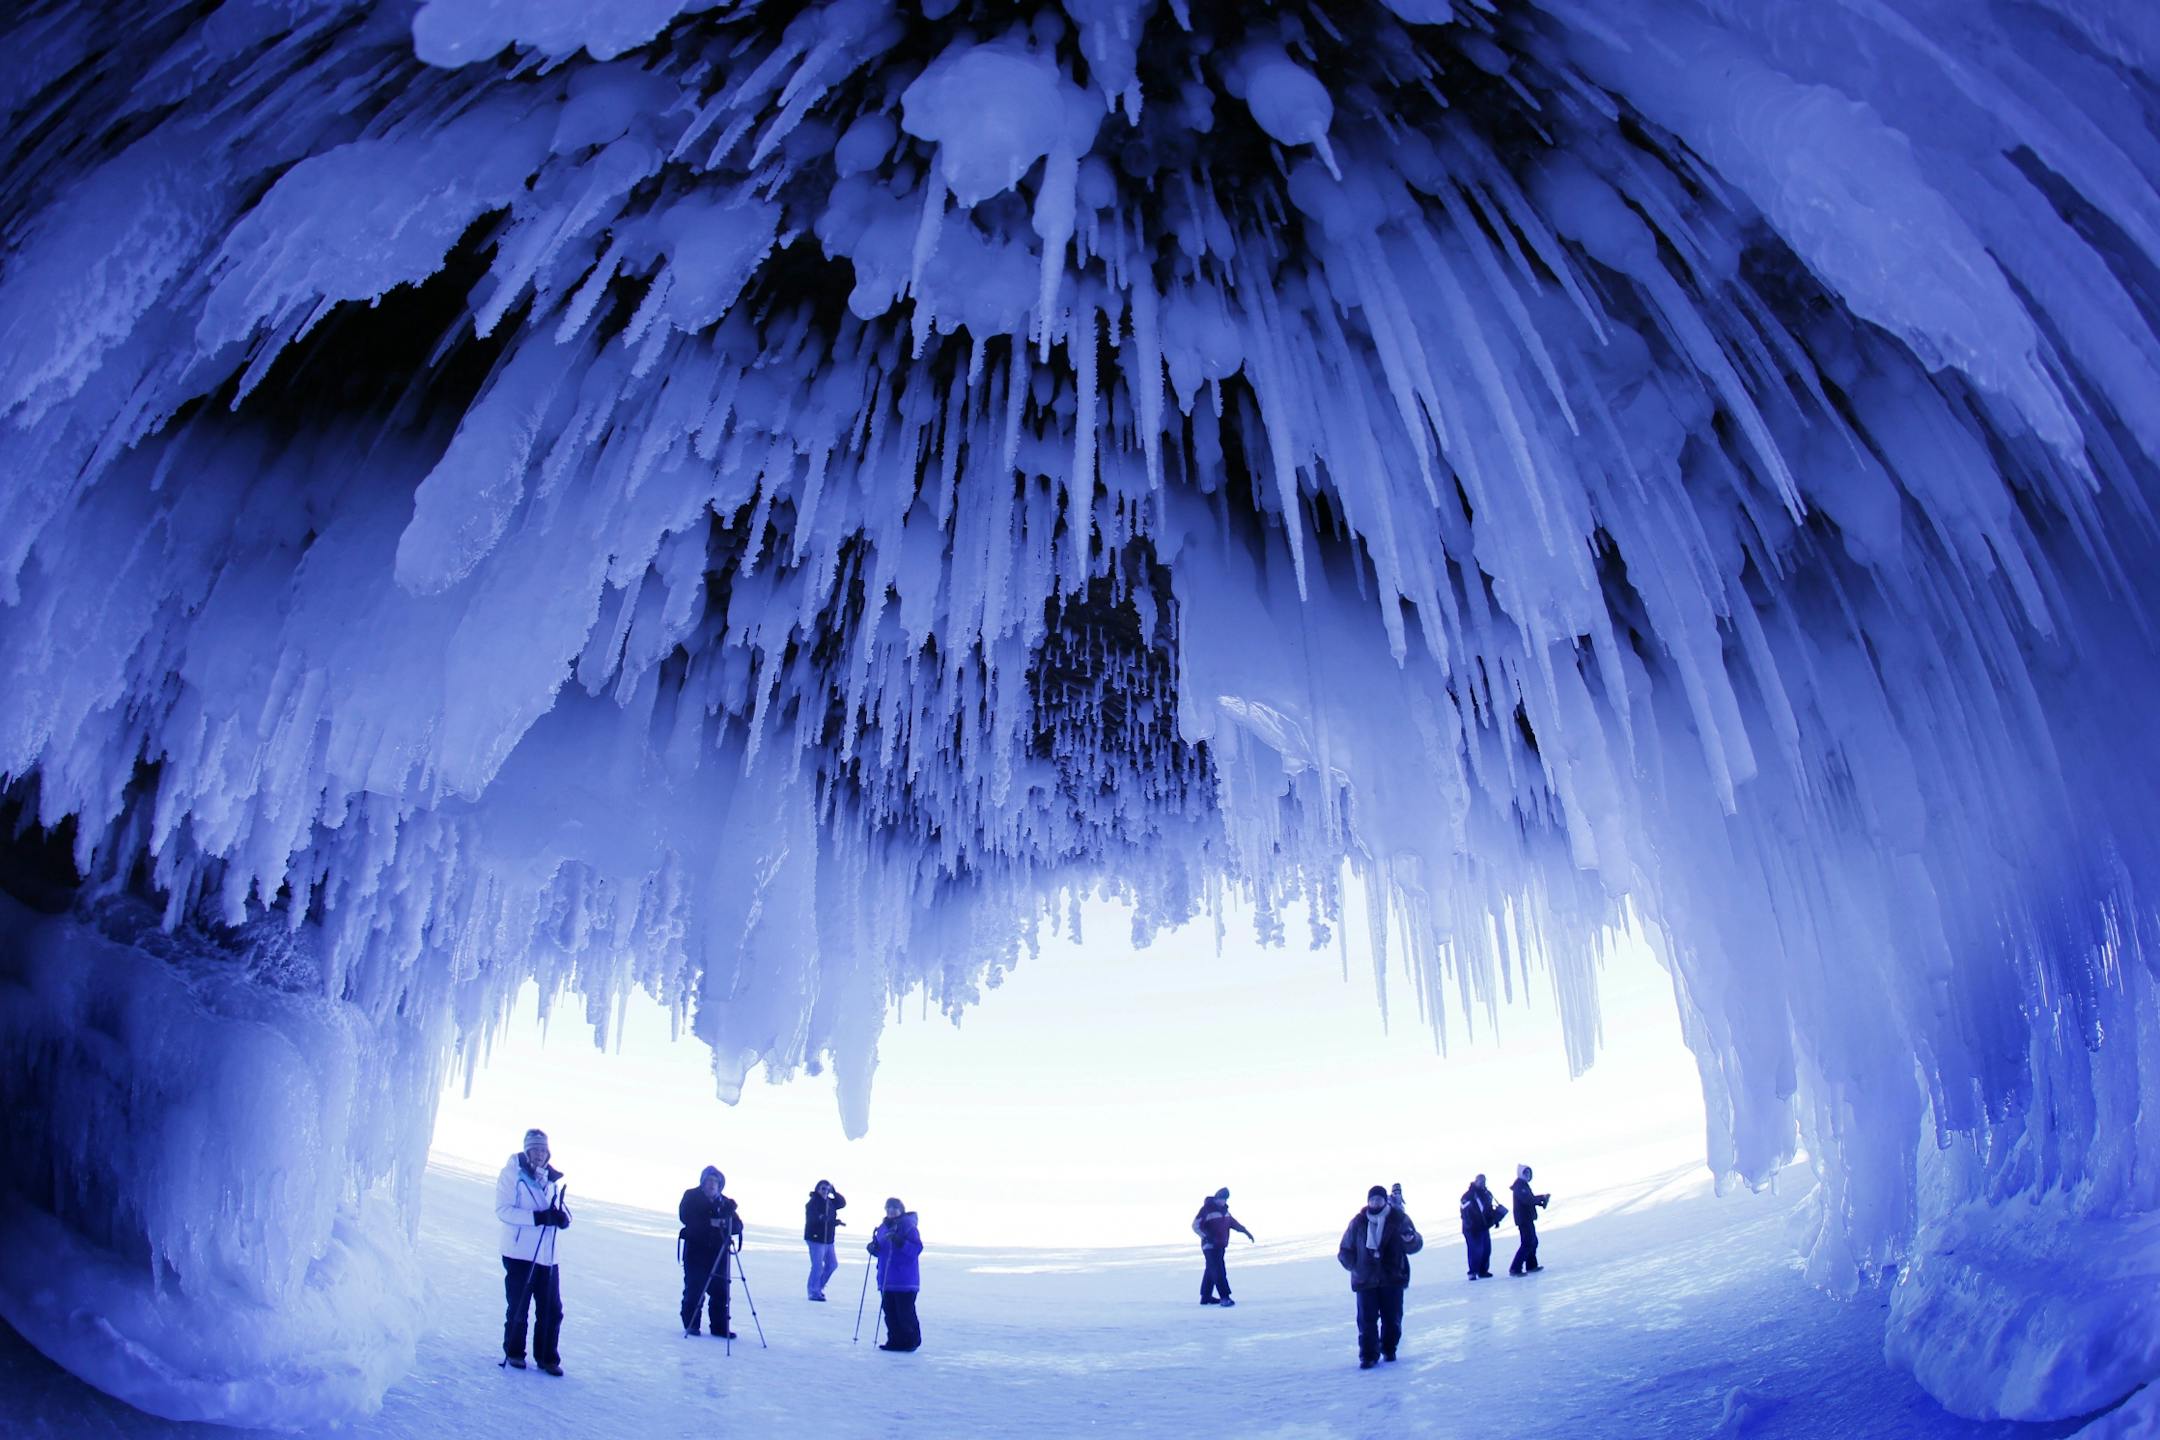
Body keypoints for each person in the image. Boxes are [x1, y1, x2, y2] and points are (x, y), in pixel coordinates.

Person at [495, 1127, 571, 1375]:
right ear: (527, 1151)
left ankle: (548, 1358)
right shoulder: (512, 1175)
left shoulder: (551, 1178)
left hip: (548, 1256)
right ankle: (514, 1352)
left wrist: (562, 1218)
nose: (539, 1154)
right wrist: (538, 1218)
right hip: (519, 1253)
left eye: (543, 1149)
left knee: (552, 1309)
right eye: (535, 1149)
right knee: (519, 1306)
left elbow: (560, 1209)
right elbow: (503, 1210)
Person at [1336, 1182, 1423, 1369]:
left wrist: (1410, 1239)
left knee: (1392, 1319)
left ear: (1385, 1201)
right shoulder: (1358, 1222)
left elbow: (1414, 1245)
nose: (1375, 1203)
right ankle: (1368, 1355)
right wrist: (1355, 1266)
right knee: (1366, 1321)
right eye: (1372, 1199)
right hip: (1365, 1280)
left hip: (1392, 1278)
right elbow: (1345, 1249)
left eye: (1379, 1199)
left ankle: (1389, 1348)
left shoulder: (1398, 1219)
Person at [678, 1166, 744, 1337]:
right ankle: (691, 1324)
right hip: (696, 1251)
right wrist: (711, 1222)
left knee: (721, 1292)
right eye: (708, 1181)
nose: (711, 1185)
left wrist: (723, 1223)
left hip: (719, 1254)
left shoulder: (725, 1202)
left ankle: (720, 1327)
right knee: (695, 1288)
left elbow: (738, 1226)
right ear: (702, 1182)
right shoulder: (691, 1196)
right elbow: (686, 1217)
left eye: (715, 1182)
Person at [867, 1197, 924, 1352]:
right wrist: (873, 1248)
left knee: (904, 1312)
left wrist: (900, 1242)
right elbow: (882, 1250)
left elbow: (916, 1250)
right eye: (889, 1208)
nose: (891, 1211)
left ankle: (911, 1341)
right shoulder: (883, 1227)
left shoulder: (908, 1226)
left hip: (904, 1279)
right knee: (890, 1312)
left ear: (901, 1209)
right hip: (886, 1278)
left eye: (895, 1208)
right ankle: (894, 1340)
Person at [1191, 1186, 1255, 1306]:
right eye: (1220, 1198)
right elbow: (1195, 1225)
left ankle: (1206, 1297)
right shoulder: (1206, 1209)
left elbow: (1232, 1223)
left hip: (1220, 1245)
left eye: (1225, 1199)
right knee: (1219, 1270)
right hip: (1210, 1246)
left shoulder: (1225, 1211)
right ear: (1216, 1198)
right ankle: (1225, 1297)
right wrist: (1206, 1236)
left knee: (1211, 1270)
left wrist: (1245, 1231)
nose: (1222, 1201)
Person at [804, 1179, 848, 1300]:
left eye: (828, 1189)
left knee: (832, 1264)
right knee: (817, 1266)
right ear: (817, 1189)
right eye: (823, 1188)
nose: (825, 1191)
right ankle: (813, 1291)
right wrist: (822, 1218)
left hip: (828, 1239)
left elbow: (842, 1203)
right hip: (816, 1239)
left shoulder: (830, 1202)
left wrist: (835, 1192)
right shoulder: (813, 1203)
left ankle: (818, 1287)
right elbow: (813, 1218)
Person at [1508, 1164, 1552, 1276]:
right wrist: (1540, 1199)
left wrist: (1541, 1199)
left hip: (1527, 1218)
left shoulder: (1523, 1185)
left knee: (1532, 1242)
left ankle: (1531, 1265)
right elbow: (1527, 1200)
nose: (1528, 1175)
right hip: (1524, 1219)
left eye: (1529, 1173)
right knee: (1527, 1243)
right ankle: (1515, 1268)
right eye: (1525, 1173)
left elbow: (1530, 1199)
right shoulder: (1519, 1186)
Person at [1459, 1173, 1504, 1279]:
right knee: (1475, 1250)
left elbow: (1488, 1210)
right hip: (1472, 1228)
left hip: (1483, 1227)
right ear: (1475, 1181)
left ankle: (1483, 1271)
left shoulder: (1487, 1194)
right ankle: (1472, 1272)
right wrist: (1471, 1225)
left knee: (1486, 1249)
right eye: (1480, 1181)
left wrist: (1495, 1219)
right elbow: (1465, 1212)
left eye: (1484, 1181)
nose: (1482, 1183)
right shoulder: (1468, 1195)